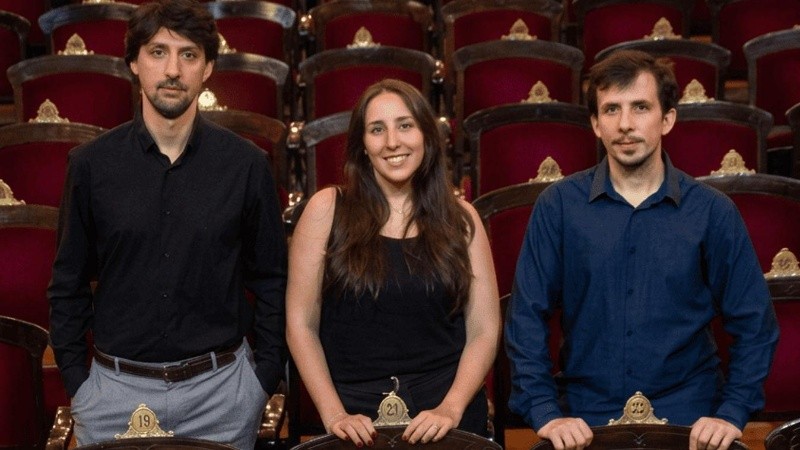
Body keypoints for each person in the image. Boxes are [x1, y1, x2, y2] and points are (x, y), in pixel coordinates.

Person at [505, 49, 779, 450]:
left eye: (640, 107)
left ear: (667, 119)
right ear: (595, 124)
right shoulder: (558, 206)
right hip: (586, 419)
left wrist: (731, 412)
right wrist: (545, 411)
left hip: (689, 419)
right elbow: (526, 317)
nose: (625, 124)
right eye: (611, 109)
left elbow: (755, 323)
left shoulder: (712, 211)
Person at [47, 1, 287, 447]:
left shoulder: (247, 165)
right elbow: (68, 284)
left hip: (222, 395)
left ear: (208, 68)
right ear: (134, 63)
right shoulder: (90, 166)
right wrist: (80, 386)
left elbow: (272, 280)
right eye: (158, 52)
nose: (173, 69)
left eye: (188, 54)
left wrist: (261, 380)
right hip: (113, 395)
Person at [286, 79, 500, 446]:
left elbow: (484, 330)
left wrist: (450, 409)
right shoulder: (326, 209)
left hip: (446, 416)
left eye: (405, 125)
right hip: (353, 419)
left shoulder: (462, 219)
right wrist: (334, 414)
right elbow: (301, 324)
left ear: (427, 136)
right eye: (376, 130)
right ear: (362, 145)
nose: (392, 142)